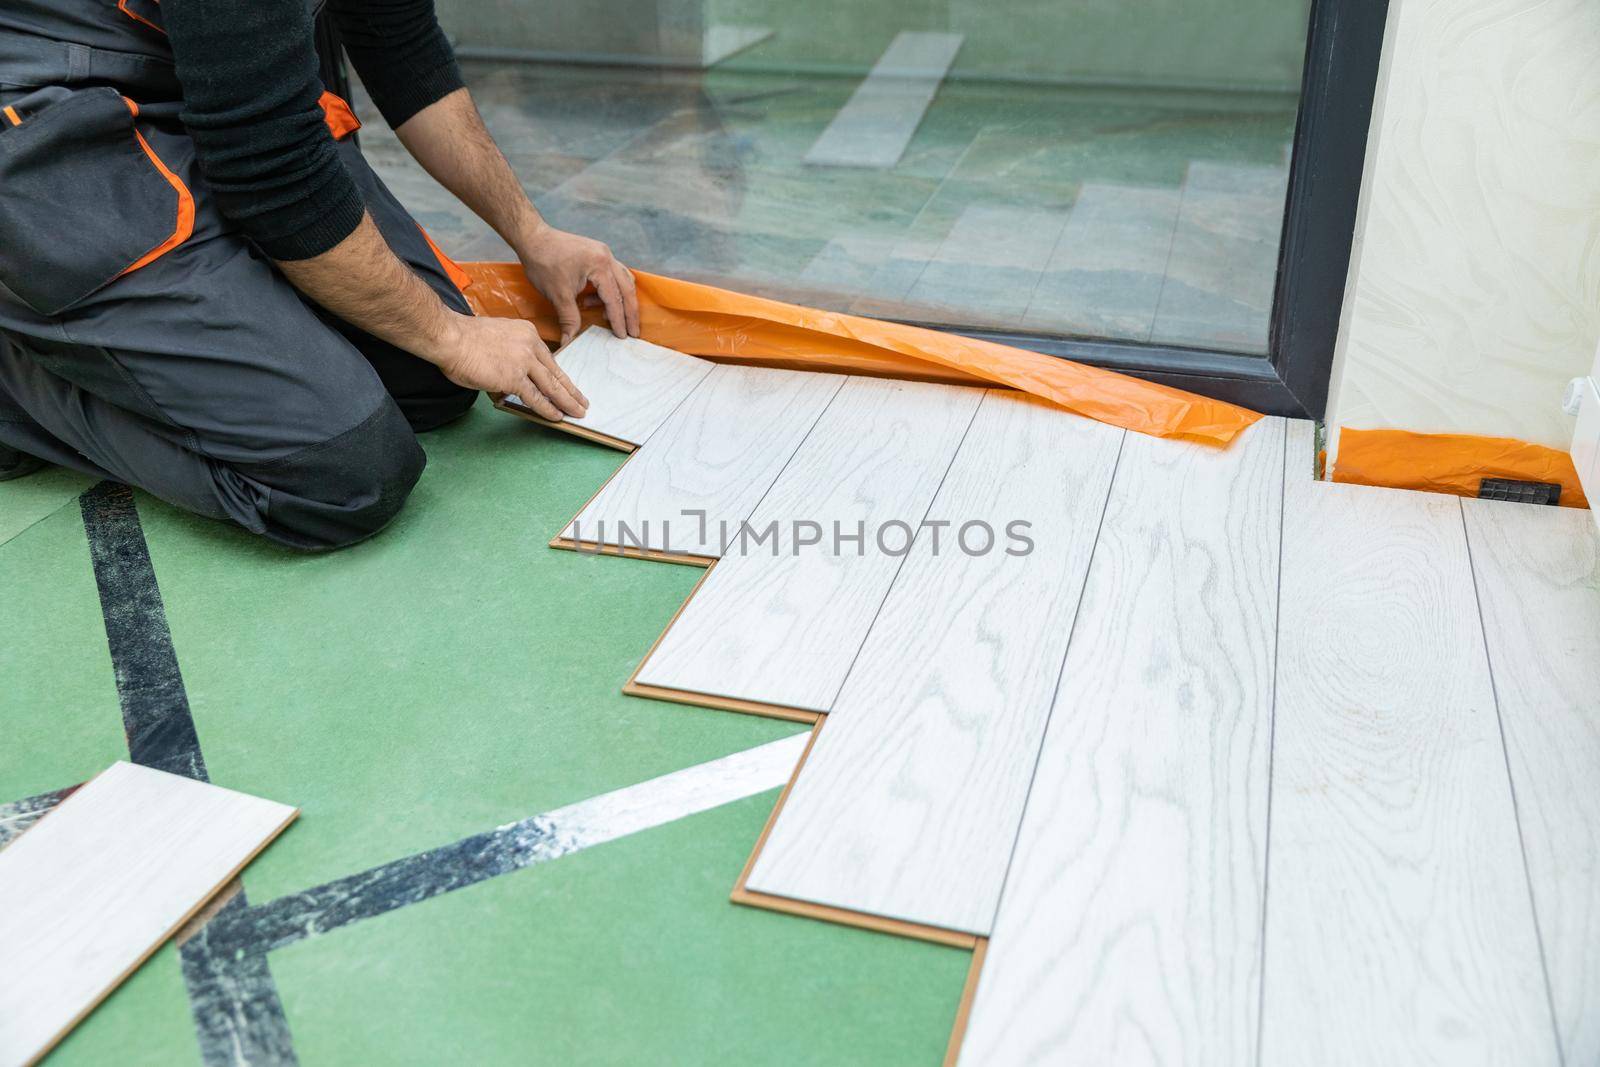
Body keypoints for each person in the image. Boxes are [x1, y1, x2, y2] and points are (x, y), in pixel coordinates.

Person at [0, 0, 640, 549]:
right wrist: (449, 334)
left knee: (429, 387)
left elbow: (400, 45)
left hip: (203, 96)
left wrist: (532, 232)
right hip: (54, 130)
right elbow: (271, 169)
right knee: (346, 476)